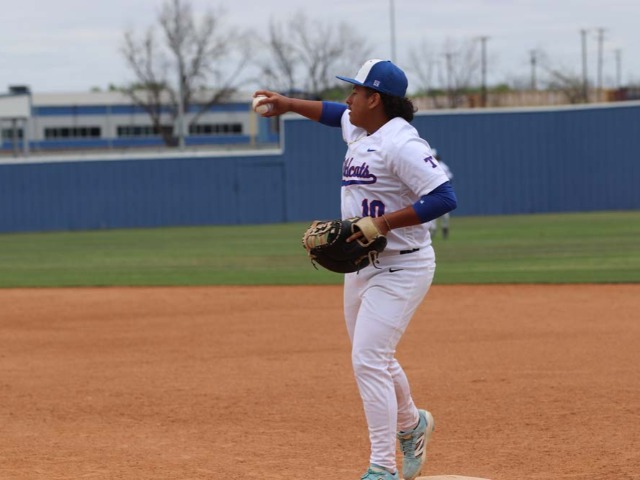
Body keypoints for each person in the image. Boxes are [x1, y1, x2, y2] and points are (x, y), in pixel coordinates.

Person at [254, 58, 457, 480]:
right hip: (361, 263)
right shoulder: (361, 129)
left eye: (356, 91)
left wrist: (383, 224)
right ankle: (412, 425)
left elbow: (443, 197)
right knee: (374, 357)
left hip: (403, 264)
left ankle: (382, 466)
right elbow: (334, 114)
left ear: (375, 99)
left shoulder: (401, 143)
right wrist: (287, 104)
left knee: (368, 358)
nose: (349, 99)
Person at [428, 149, 454, 239]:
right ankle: (433, 230)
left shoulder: (443, 166)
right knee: (432, 214)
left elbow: (450, 178)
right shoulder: (427, 165)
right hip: (432, 193)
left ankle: (444, 228)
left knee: (445, 215)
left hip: (442, 193)